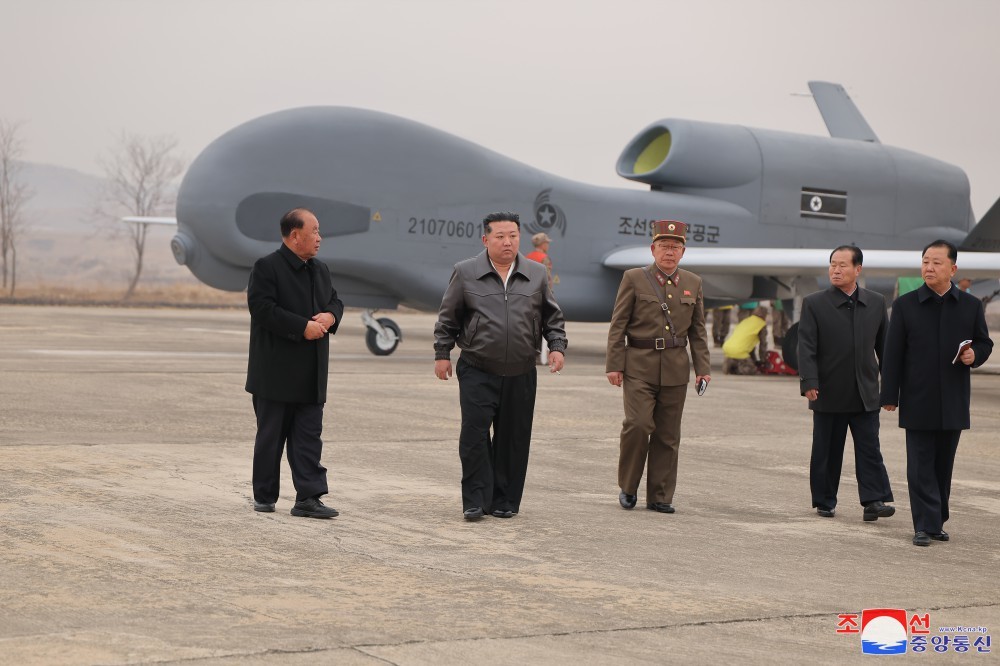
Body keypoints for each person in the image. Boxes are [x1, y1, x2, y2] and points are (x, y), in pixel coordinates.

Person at [434, 211, 568, 521]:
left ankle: (504, 500)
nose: (507, 242)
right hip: (477, 367)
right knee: (474, 435)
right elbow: (448, 316)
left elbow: (552, 316)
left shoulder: (537, 273)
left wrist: (557, 347)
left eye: (513, 236)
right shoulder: (465, 272)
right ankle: (475, 500)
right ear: (486, 239)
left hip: (521, 370)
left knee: (513, 437)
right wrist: (442, 353)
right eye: (500, 236)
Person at [880, 240, 993, 547]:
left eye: (936, 262)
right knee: (920, 466)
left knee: (943, 465)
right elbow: (892, 354)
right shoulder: (905, 305)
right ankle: (924, 525)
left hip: (954, 398)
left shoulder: (970, 306)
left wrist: (975, 355)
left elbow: (985, 343)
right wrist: (889, 395)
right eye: (925, 262)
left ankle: (936, 520)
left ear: (952, 269)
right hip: (917, 397)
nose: (928, 267)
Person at [605, 220, 711, 513]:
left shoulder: (693, 283)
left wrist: (703, 368)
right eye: (664, 246)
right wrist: (614, 364)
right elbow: (618, 324)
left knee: (668, 434)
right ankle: (628, 486)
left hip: (676, 369)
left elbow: (698, 331)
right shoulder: (633, 278)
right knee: (638, 425)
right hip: (639, 366)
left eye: (675, 247)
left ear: (683, 252)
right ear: (653, 249)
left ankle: (660, 495)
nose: (669, 252)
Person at [246, 207, 344, 518]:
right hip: (275, 373)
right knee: (270, 439)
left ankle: (309, 498)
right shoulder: (267, 268)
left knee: (309, 439)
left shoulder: (320, 269)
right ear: (294, 235)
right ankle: (264, 496)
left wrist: (330, 316)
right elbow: (262, 308)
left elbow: (335, 300)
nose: (319, 237)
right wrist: (302, 327)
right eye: (314, 231)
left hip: (311, 373)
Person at [797, 246, 895, 521]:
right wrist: (809, 381)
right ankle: (825, 500)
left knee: (870, 449)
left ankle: (874, 501)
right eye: (832, 265)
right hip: (828, 391)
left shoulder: (876, 302)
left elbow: (885, 349)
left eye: (842, 265)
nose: (836, 270)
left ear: (857, 269)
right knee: (827, 450)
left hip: (866, 393)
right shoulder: (814, 303)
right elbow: (806, 347)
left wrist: (890, 389)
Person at [722, 305, 767, 375]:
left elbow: (749, 344)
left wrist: (753, 359)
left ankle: (732, 365)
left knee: (739, 355)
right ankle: (739, 369)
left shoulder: (746, 320)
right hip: (739, 350)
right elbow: (763, 345)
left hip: (727, 348)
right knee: (753, 370)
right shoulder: (761, 324)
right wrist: (763, 360)